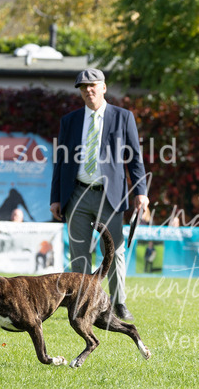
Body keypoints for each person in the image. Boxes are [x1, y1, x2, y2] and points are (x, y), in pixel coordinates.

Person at [50, 68, 149, 322]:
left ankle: (119, 302)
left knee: (114, 251)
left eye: (93, 85)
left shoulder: (123, 117)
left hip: (110, 196)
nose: (88, 90)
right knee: (79, 254)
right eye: (83, 87)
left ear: (104, 87)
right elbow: (60, 162)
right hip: (77, 195)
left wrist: (141, 192)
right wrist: (56, 198)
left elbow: (135, 158)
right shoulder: (69, 121)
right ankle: (82, 303)